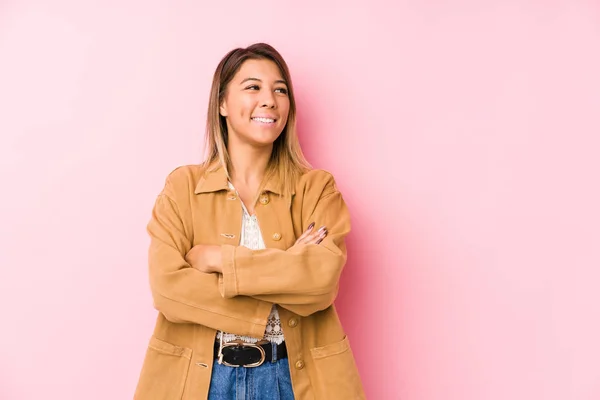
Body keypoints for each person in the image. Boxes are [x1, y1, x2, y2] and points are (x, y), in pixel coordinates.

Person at [134, 43, 365, 400]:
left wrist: (218, 259)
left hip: (291, 378)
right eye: (253, 87)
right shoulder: (182, 187)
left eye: (280, 90)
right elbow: (168, 289)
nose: (270, 100)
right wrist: (286, 271)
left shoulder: (316, 189)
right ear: (222, 104)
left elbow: (320, 282)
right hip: (202, 381)